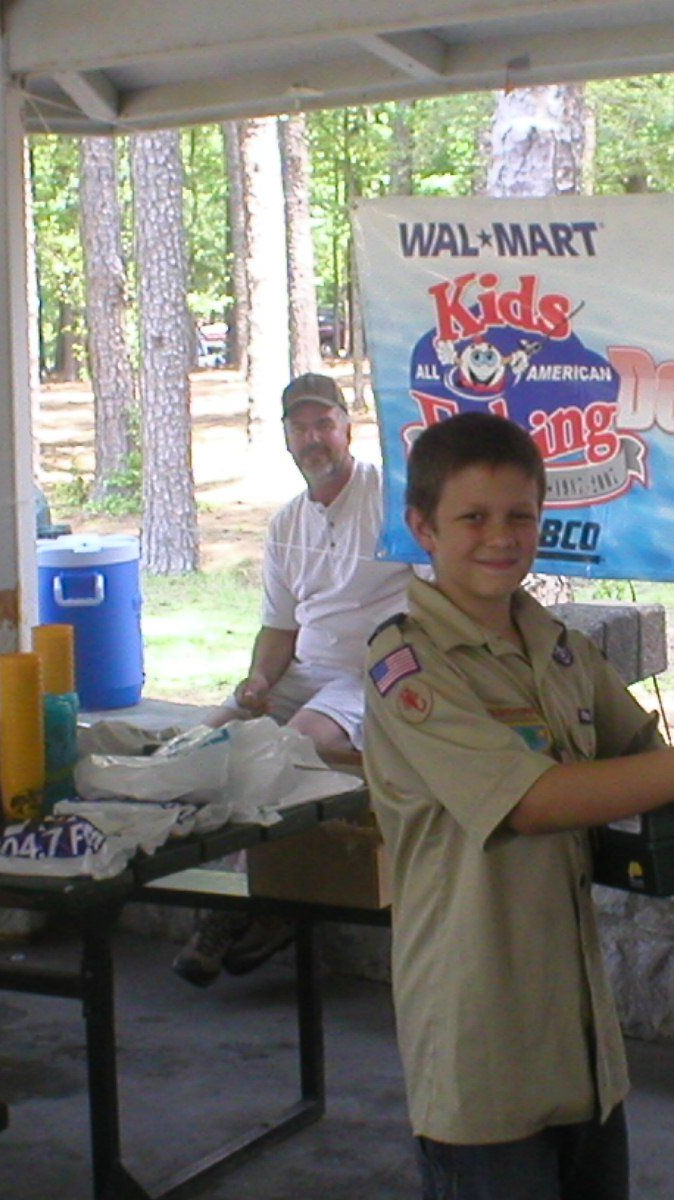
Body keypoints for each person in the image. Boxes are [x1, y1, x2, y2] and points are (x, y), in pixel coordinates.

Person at [364, 411, 674, 1200]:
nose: (500, 537)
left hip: (578, 1043)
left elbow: (646, 759)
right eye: (472, 517)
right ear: (421, 528)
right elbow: (534, 801)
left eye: (520, 517)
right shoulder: (406, 664)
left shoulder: (555, 644)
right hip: (479, 1039)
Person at [172, 372, 414, 987]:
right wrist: (256, 683)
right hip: (304, 671)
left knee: (294, 743)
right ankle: (235, 900)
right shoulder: (285, 524)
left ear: (347, 428)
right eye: (301, 428)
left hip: (372, 675)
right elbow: (279, 629)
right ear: (285, 438)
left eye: (324, 424)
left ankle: (267, 909)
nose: (314, 439)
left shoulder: (392, 501)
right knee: (201, 743)